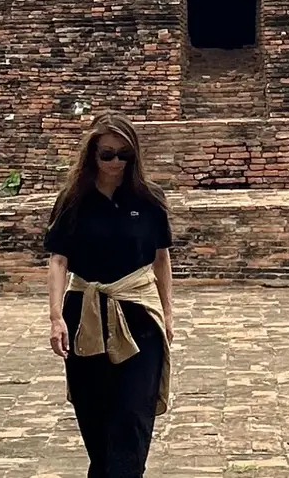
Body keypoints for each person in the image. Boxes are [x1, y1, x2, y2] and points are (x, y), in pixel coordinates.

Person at [45, 113, 174, 476]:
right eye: (108, 154)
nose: (116, 162)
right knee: (95, 419)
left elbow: (161, 258)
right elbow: (58, 260)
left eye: (125, 155)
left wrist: (168, 314)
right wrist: (56, 319)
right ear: (91, 155)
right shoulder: (73, 200)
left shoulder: (148, 199)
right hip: (84, 313)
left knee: (132, 417)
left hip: (138, 314)